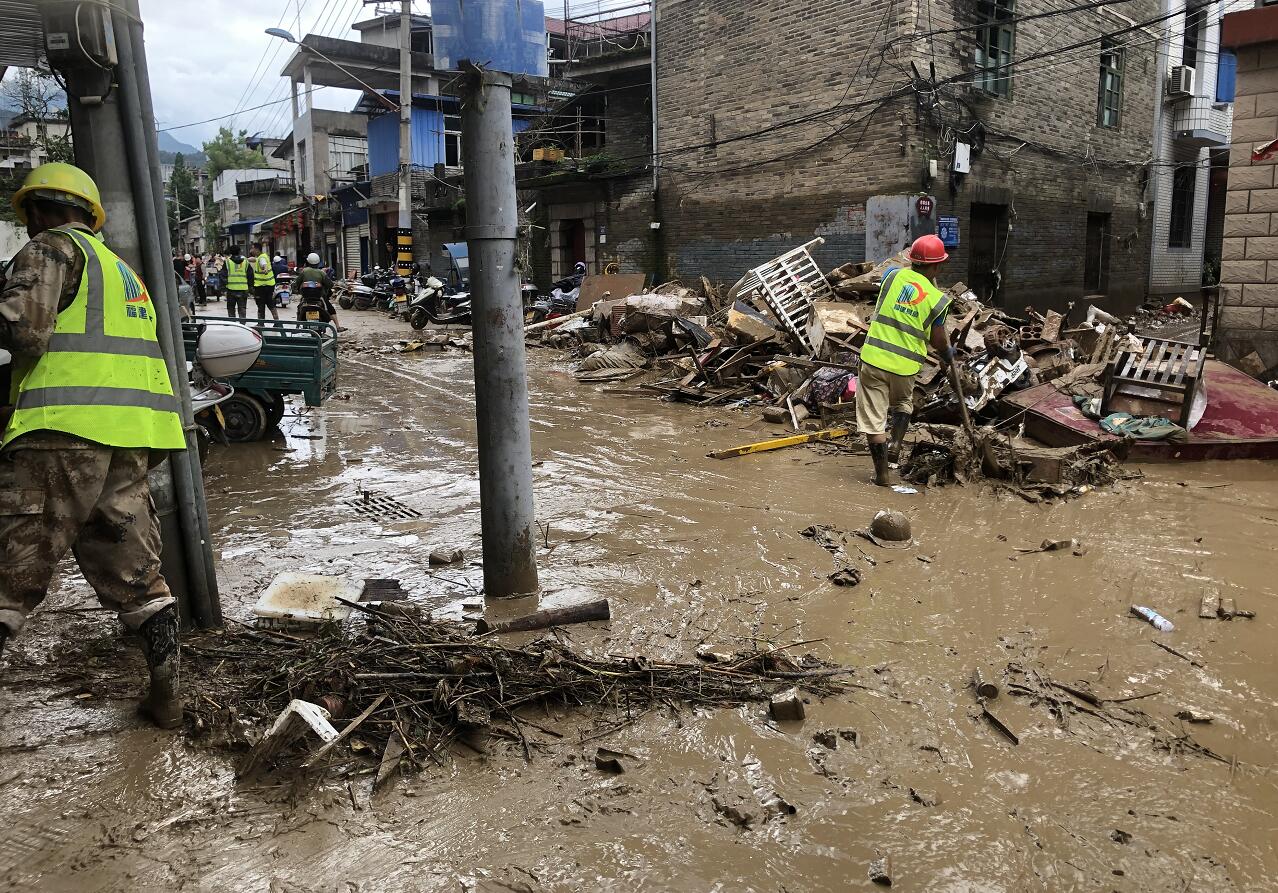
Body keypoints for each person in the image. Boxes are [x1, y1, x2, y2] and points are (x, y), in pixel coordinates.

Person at [0, 162, 187, 728]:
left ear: (38, 211)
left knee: (10, 575)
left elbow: (24, 331)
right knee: (137, 577)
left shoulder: (50, 250)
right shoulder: (122, 271)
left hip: (60, 436)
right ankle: (168, 697)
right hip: (129, 442)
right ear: (90, 213)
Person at [856, 234, 956, 487]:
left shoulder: (892, 276)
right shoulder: (937, 299)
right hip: (905, 367)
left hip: (874, 360)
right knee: (902, 402)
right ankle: (897, 442)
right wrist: (947, 354)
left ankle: (882, 475)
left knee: (874, 419)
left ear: (912, 260)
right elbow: (938, 340)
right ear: (938, 266)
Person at [294, 251, 344, 331]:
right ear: (318, 262)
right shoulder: (322, 273)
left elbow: (297, 283)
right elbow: (330, 284)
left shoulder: (304, 271)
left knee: (299, 308)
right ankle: (338, 327)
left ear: (308, 262)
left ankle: (297, 327)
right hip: (320, 297)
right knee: (330, 309)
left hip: (306, 298)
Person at [223, 246, 250, 320]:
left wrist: (223, 289)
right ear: (239, 252)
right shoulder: (246, 261)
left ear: (230, 253)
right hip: (243, 289)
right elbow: (250, 275)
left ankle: (233, 326)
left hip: (231, 290)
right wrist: (251, 288)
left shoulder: (227, 262)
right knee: (242, 309)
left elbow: (223, 276)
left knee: (231, 309)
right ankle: (242, 325)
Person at [250, 249, 278, 321]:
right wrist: (246, 259)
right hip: (269, 286)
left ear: (257, 250)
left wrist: (264, 269)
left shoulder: (262, 258)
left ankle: (261, 323)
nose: (251, 250)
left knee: (261, 305)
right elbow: (254, 259)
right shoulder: (263, 256)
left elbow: (264, 265)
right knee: (271, 304)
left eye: (252, 248)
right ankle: (277, 322)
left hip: (262, 287)